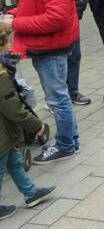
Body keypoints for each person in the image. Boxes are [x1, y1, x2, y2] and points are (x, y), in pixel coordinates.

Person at [3, 0, 81, 163]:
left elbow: (55, 19)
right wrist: (11, 14)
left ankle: (67, 145)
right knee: (58, 96)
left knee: (58, 98)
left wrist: (13, 23)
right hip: (44, 45)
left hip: (52, 46)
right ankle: (71, 139)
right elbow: (31, 5)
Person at [0, 24, 57, 221]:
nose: (11, 46)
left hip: (4, 132)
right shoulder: (0, 74)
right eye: (9, 41)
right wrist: (36, 124)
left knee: (14, 161)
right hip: (1, 132)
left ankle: (31, 193)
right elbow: (12, 106)